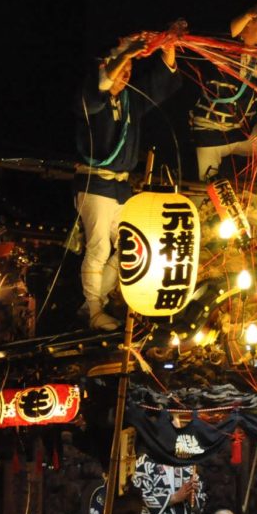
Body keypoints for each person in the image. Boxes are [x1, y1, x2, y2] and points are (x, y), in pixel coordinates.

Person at [75, 27, 183, 330]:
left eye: (130, 69)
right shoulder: (90, 93)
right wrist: (125, 52)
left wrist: (168, 48)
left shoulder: (130, 100)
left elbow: (160, 84)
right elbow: (102, 85)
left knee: (127, 246)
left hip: (120, 186)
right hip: (94, 183)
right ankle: (95, 309)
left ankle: (94, 303)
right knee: (98, 248)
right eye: (121, 67)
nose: (125, 75)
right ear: (106, 67)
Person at [190, 2, 257, 201]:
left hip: (240, 133)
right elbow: (225, 33)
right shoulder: (222, 51)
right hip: (210, 135)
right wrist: (247, 14)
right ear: (247, 25)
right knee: (206, 194)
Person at [131, 453, 206, 514]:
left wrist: (191, 498)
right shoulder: (145, 462)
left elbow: (201, 503)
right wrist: (175, 497)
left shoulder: (188, 462)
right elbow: (139, 500)